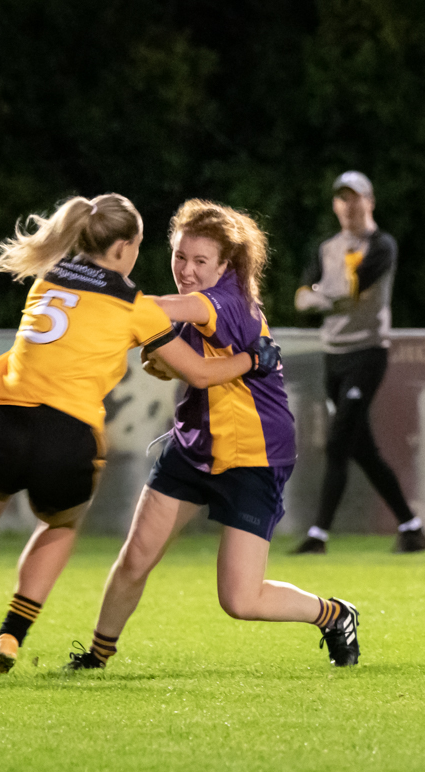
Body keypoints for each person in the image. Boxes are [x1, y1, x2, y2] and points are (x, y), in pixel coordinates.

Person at [0, 193, 277, 680]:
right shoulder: (134, 306)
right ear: (124, 248)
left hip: (3, 424)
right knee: (59, 525)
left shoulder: (46, 280)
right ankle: (12, 633)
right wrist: (254, 359)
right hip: (67, 435)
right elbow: (202, 375)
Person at [66, 199, 360, 673]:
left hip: (254, 454)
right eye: (180, 256)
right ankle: (95, 657)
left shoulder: (222, 300)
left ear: (226, 265)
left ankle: (334, 614)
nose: (186, 268)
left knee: (240, 600)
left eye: (200, 260)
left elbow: (161, 314)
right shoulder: (198, 304)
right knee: (135, 558)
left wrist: (95, 290)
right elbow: (177, 359)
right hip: (193, 446)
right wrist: (160, 358)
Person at [293, 171, 425, 554]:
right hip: (333, 356)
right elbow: (302, 298)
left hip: (368, 353)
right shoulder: (327, 248)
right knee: (361, 449)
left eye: (355, 197)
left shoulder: (382, 245)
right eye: (341, 198)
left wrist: (323, 295)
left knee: (338, 442)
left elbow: (350, 291)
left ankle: (318, 535)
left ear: (370, 201)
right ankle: (412, 526)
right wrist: (324, 296)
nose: (348, 205)